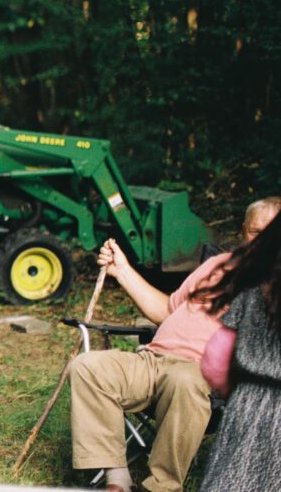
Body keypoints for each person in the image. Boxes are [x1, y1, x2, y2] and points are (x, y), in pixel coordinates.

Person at [69, 197, 281, 492]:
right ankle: (116, 479)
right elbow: (166, 308)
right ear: (243, 230)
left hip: (199, 373)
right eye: (255, 232)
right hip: (153, 358)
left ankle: (162, 486)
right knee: (89, 366)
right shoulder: (217, 265)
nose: (261, 242)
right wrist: (123, 270)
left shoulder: (272, 284)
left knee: (185, 380)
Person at [197, 207, 281, 491]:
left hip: (248, 404)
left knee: (233, 481)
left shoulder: (256, 281)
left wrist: (235, 392)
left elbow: (216, 357)